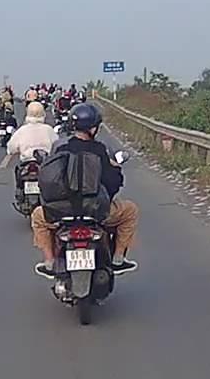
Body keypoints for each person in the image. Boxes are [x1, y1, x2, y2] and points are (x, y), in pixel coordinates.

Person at [31, 102, 139, 276]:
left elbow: (48, 181)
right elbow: (113, 183)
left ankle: (49, 261)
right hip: (96, 210)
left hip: (61, 212)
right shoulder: (100, 150)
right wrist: (115, 171)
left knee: (37, 216)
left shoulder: (60, 148)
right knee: (130, 211)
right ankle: (118, 258)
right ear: (93, 128)